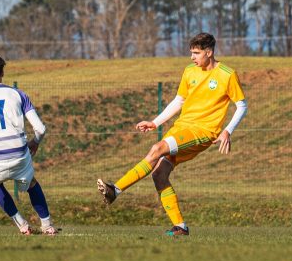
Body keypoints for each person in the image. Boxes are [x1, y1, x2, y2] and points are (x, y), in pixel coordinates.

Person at [97, 33, 247, 236]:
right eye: (191, 53)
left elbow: (241, 105)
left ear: (209, 52)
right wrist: (155, 122)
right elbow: (179, 101)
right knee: (159, 174)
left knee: (157, 149)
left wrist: (227, 130)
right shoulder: (189, 71)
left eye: (196, 53)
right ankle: (180, 227)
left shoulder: (227, 74)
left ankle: (115, 189)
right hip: (182, 127)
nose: (192, 57)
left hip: (203, 131)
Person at [0, 52, 57, 235]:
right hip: (19, 153)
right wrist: (35, 142)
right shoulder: (18, 94)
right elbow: (41, 128)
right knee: (32, 184)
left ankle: (22, 225)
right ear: (2, 73)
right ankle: (47, 225)